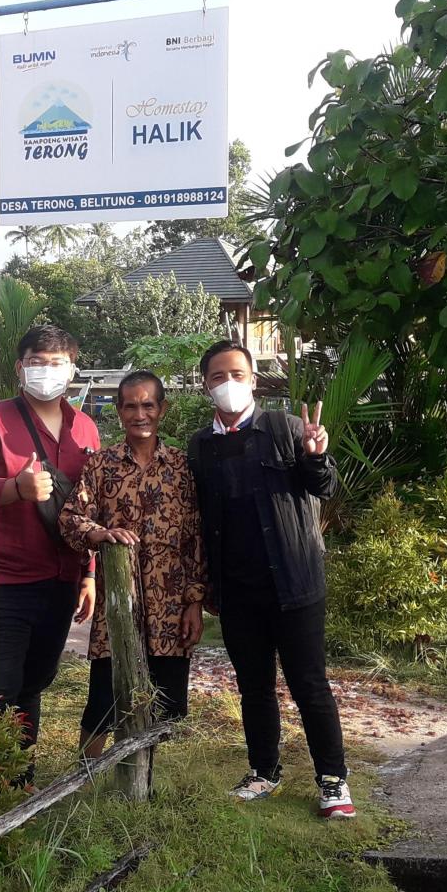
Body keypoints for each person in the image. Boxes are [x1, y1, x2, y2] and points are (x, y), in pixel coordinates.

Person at [187, 339, 355, 820]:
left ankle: (333, 779)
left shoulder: (286, 428)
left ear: (253, 380)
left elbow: (324, 485)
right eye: (218, 376)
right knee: (254, 687)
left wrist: (316, 456)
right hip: (237, 592)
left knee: (309, 684)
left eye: (237, 374)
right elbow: (200, 516)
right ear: (205, 385)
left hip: (296, 585)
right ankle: (263, 771)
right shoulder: (200, 446)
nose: (228, 383)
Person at [0, 325, 99, 765]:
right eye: (37, 362)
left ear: (72, 370)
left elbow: (88, 506)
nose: (46, 371)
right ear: (19, 367)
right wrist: (13, 488)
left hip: (58, 581)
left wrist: (88, 574)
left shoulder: (85, 429)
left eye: (57, 363)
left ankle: (17, 778)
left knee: (34, 683)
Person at [58, 371, 205, 759]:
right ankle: (86, 778)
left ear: (162, 409)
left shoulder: (182, 467)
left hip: (170, 611)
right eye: (130, 406)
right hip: (118, 609)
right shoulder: (102, 465)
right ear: (119, 411)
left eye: (148, 405)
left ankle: (141, 779)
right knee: (102, 703)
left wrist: (194, 603)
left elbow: (195, 539)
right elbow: (70, 518)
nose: (140, 414)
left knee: (164, 708)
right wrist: (100, 534)